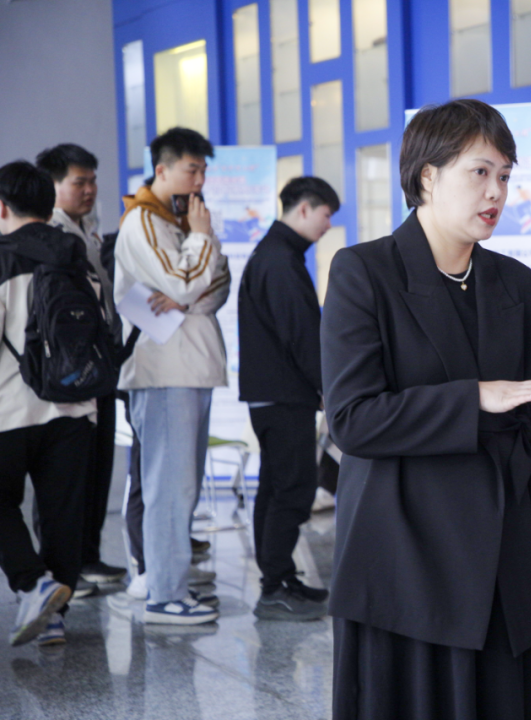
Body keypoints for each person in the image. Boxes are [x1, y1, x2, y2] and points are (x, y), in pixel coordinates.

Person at [322, 99, 531, 720]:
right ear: (428, 176)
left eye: (505, 176)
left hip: (499, 556)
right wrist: (473, 399)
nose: (496, 192)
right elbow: (353, 420)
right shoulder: (364, 272)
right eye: (480, 172)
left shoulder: (514, 282)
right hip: (404, 555)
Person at [113, 127, 229, 625]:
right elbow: (183, 281)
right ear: (161, 169)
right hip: (163, 370)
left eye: (203, 170)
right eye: (191, 169)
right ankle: (163, 593)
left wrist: (185, 292)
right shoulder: (142, 220)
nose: (200, 180)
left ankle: (172, 584)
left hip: (191, 365)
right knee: (167, 486)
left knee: (184, 485)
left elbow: (217, 285)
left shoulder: (181, 220)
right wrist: (199, 246)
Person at [0, 161, 98, 646]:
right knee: (63, 514)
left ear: (2, 208)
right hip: (75, 405)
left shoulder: (2, 258)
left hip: (10, 409)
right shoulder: (77, 255)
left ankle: (33, 584)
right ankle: (55, 617)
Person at [238, 175, 340, 620]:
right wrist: (329, 386)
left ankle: (278, 579)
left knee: (276, 486)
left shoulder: (275, 253)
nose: (327, 225)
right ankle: (274, 588)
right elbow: (301, 334)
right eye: (325, 215)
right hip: (283, 396)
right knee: (293, 488)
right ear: (303, 209)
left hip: (272, 395)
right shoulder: (280, 260)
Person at [36, 144, 127, 598]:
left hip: (100, 364)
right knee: (66, 476)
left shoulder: (87, 229)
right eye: (79, 182)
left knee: (97, 465)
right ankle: (62, 567)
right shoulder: (48, 235)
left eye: (92, 181)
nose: (90, 190)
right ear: (52, 186)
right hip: (69, 369)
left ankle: (87, 556)